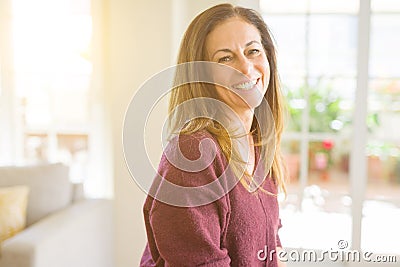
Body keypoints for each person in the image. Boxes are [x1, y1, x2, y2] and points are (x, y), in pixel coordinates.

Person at [140, 3, 287, 267]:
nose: (245, 68)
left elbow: (272, 245)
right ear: (202, 74)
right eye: (225, 58)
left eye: (253, 51)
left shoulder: (258, 144)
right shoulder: (193, 154)